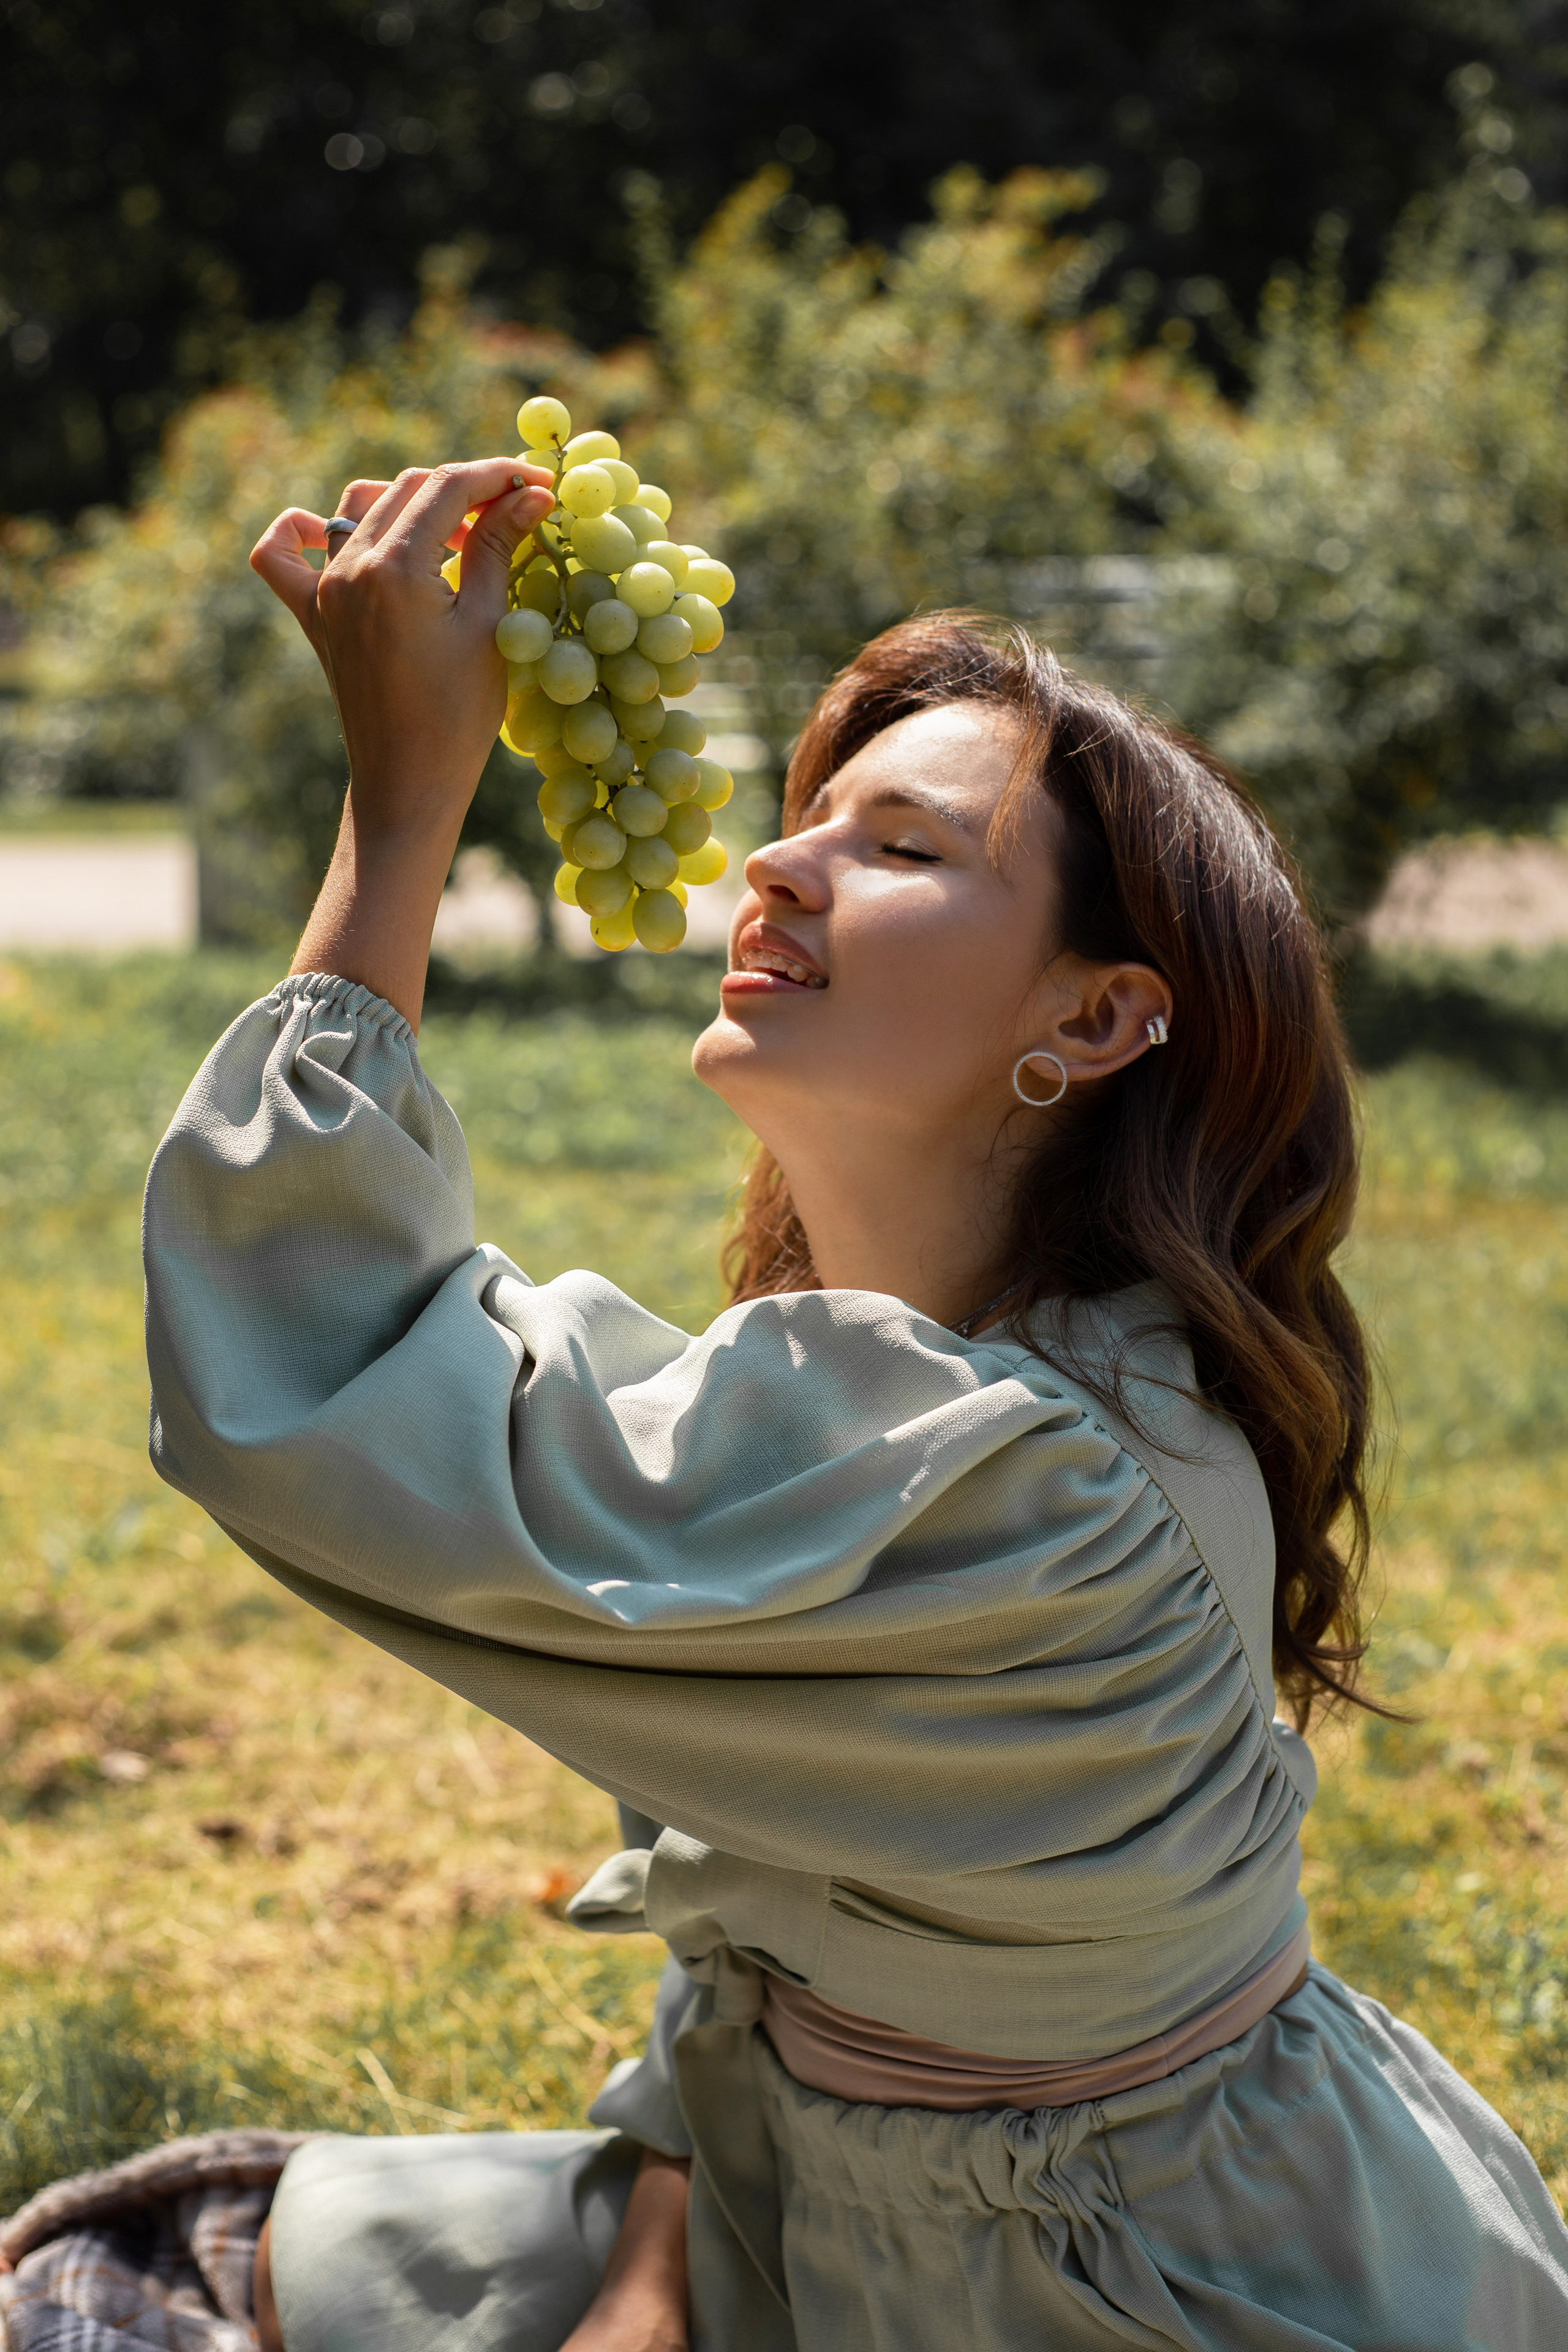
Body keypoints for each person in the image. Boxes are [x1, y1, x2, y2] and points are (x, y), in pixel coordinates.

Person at [140, 454, 1568, 2352]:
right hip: (832, 2194)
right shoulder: (995, 1394)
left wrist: (399, 813)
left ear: (1090, 1019)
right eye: (811, 823)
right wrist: (648, 2287)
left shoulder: (1014, 1495)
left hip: (1132, 2294)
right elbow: (783, 1861)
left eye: (901, 848)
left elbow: (318, 1375)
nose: (776, 863)